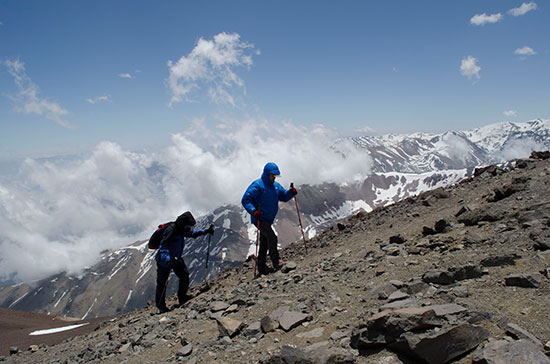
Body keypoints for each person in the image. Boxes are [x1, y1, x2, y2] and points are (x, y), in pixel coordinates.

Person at [242, 162, 297, 275]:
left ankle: (261, 267)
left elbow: (283, 197)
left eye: (275, 176)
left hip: (267, 219)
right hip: (259, 218)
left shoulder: (275, 186)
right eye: (273, 175)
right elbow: (246, 200)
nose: (274, 177)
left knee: (265, 242)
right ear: (267, 174)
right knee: (272, 237)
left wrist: (291, 193)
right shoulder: (258, 185)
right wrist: (254, 211)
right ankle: (276, 261)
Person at [155, 211, 214, 313]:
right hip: (164, 260)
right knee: (162, 283)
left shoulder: (180, 229)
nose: (188, 228)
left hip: (175, 258)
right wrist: (168, 260)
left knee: (184, 275)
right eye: (187, 226)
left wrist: (206, 231)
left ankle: (182, 297)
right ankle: (161, 307)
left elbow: (192, 234)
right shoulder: (171, 230)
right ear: (183, 224)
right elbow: (163, 247)